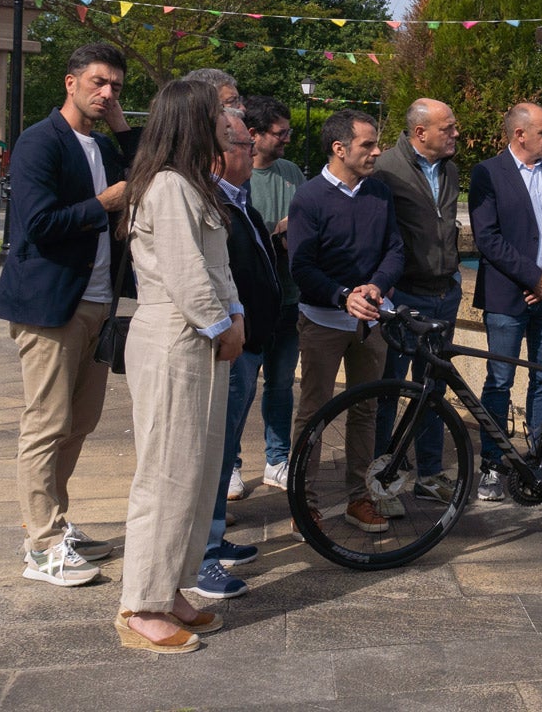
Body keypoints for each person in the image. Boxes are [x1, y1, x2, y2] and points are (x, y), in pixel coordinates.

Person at [0, 42, 138, 588]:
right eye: (98, 82)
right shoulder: (39, 141)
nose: (106, 93)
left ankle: (56, 521)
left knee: (80, 423)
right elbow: (35, 223)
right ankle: (42, 544)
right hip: (51, 304)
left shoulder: (101, 146)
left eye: (116, 87)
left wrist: (121, 126)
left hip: (100, 301)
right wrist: (103, 205)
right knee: (47, 423)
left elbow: (146, 167)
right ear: (70, 83)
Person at [115, 77, 244, 654]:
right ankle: (141, 604)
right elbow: (186, 274)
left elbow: (216, 269)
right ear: (193, 118)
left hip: (200, 340)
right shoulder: (167, 186)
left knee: (194, 468)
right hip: (176, 338)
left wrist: (231, 318)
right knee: (166, 473)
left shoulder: (192, 183)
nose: (230, 117)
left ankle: (169, 588)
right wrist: (223, 324)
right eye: (220, 111)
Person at [287, 109, 405, 533]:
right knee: (314, 411)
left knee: (366, 410)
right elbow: (302, 268)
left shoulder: (379, 192)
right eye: (368, 145)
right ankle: (305, 503)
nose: (377, 151)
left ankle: (360, 497)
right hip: (323, 322)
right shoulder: (309, 198)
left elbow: (395, 248)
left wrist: (376, 285)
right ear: (340, 149)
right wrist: (343, 296)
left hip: (372, 322)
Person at [468, 102, 542, 502]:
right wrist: (534, 278)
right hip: (508, 296)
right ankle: (494, 466)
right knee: (499, 382)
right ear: (519, 134)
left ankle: (539, 459)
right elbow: (488, 238)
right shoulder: (488, 173)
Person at [191, 110, 283, 601]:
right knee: (212, 454)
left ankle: (214, 535)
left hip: (251, 344)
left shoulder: (238, 200)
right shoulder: (211, 204)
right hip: (230, 345)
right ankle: (200, 559)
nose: (254, 152)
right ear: (217, 157)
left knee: (225, 448)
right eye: (245, 145)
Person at [371, 98, 463, 505]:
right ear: (420, 132)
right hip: (403, 296)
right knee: (388, 390)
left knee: (433, 388)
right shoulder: (386, 168)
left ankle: (429, 472)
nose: (456, 133)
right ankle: (379, 478)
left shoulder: (451, 168)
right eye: (448, 128)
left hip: (444, 294)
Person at [241, 95, 303, 491]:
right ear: (254, 135)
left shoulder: (293, 172)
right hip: (249, 304)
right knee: (240, 388)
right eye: (280, 134)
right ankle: (230, 463)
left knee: (281, 385)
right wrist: (274, 229)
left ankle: (277, 459)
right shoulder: (235, 173)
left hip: (289, 298)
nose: (286, 140)